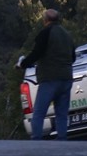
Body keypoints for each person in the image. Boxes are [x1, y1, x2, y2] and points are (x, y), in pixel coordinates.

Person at [18, 8, 77, 140]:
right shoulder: (67, 34)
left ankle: (37, 140)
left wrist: (23, 64)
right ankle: (62, 139)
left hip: (50, 79)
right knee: (61, 113)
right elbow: (72, 57)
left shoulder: (45, 33)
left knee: (39, 112)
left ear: (45, 20)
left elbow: (36, 53)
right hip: (66, 78)